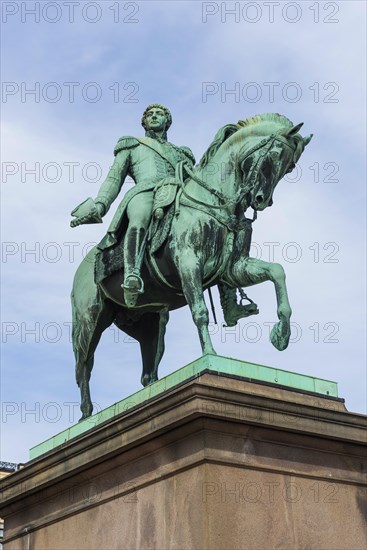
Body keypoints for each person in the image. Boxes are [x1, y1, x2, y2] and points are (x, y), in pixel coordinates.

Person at [71, 103, 257, 323]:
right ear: (144, 122)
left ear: (168, 121)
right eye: (149, 115)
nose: (154, 117)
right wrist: (100, 205)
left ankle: (230, 303)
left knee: (221, 232)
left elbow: (197, 180)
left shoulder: (182, 153)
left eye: (159, 114)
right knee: (139, 218)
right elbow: (114, 179)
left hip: (178, 196)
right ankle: (132, 275)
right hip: (145, 191)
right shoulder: (132, 145)